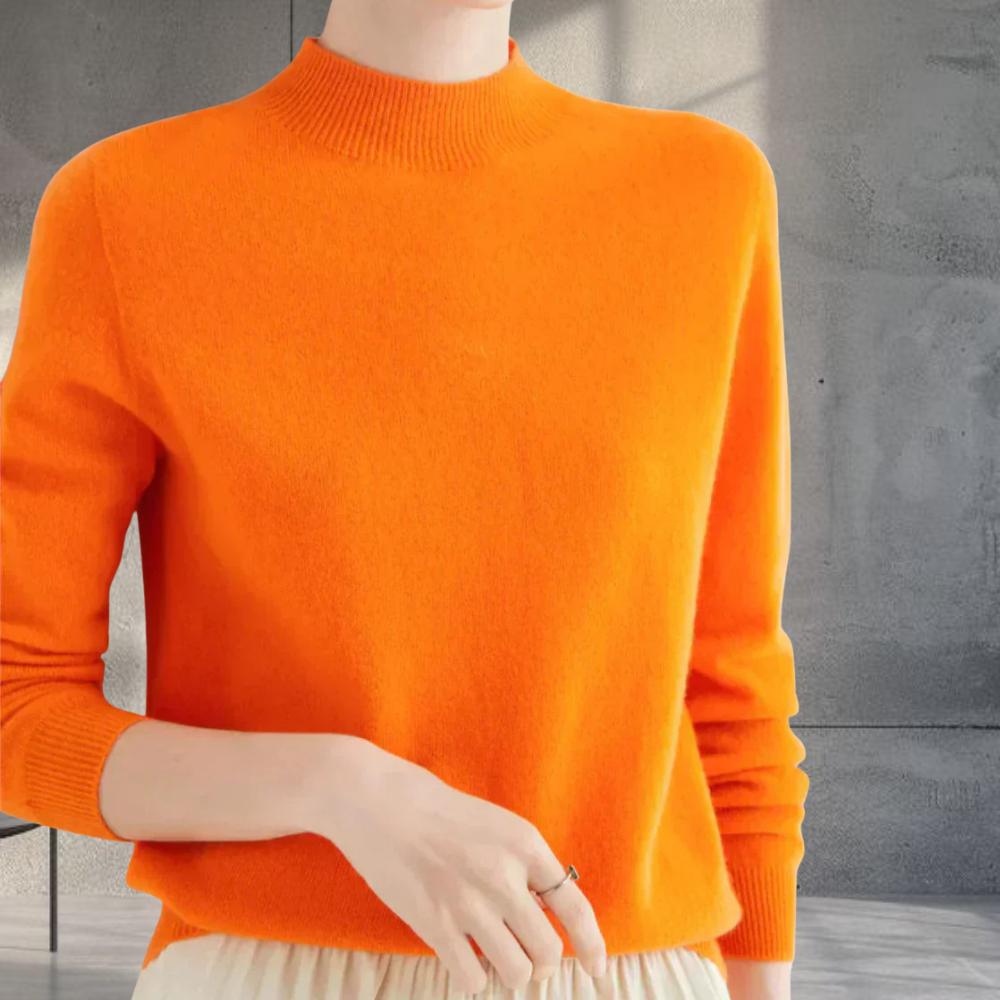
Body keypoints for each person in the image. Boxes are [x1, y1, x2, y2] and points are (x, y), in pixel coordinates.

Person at [0, 1, 809, 998]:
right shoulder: (126, 206)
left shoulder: (704, 193)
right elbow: (16, 706)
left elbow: (732, 676)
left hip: (630, 972)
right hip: (271, 974)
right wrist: (339, 789)